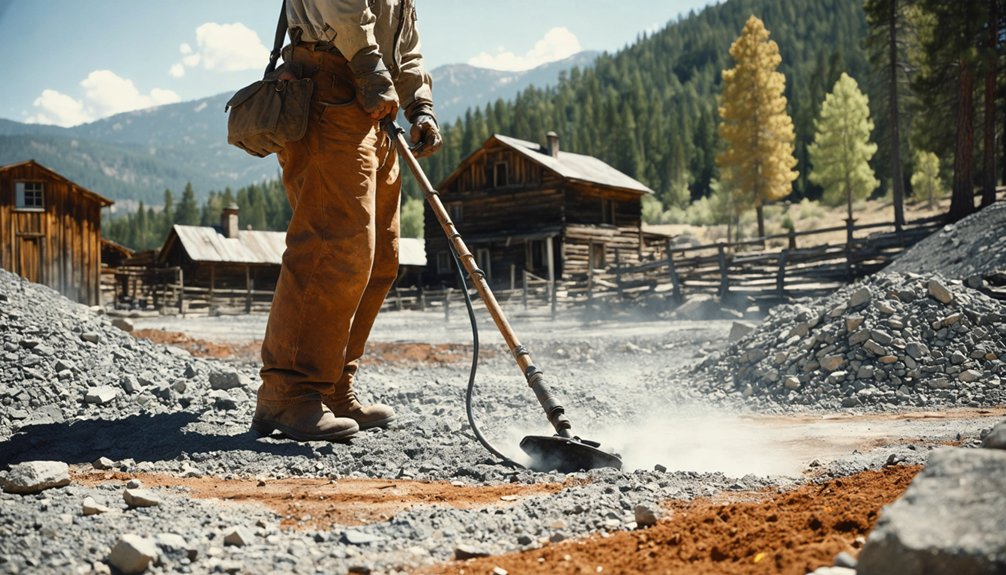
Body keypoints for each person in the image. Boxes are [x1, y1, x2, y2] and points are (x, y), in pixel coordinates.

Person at [251, 0, 442, 442]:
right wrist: (372, 71)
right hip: (328, 88)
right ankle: (287, 392)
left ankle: (332, 385)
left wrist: (420, 105)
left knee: (380, 259)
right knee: (332, 245)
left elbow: (406, 42)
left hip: (377, 106)